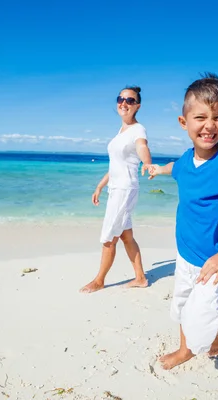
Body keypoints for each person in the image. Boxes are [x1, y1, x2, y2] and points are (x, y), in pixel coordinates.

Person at [145, 73, 218, 369]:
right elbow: (177, 168)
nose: (210, 125)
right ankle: (190, 345)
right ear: (184, 122)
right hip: (184, 256)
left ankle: (209, 335)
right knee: (184, 308)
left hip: (215, 263)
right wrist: (158, 170)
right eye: (201, 117)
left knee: (202, 325)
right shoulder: (186, 160)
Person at [80, 86, 153, 294]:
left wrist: (147, 163)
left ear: (137, 106)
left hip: (124, 190)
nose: (124, 103)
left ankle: (99, 280)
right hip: (116, 188)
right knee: (126, 236)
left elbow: (142, 147)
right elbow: (116, 166)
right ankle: (140, 278)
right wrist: (100, 186)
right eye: (121, 99)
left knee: (108, 238)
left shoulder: (138, 130)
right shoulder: (121, 132)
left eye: (130, 100)